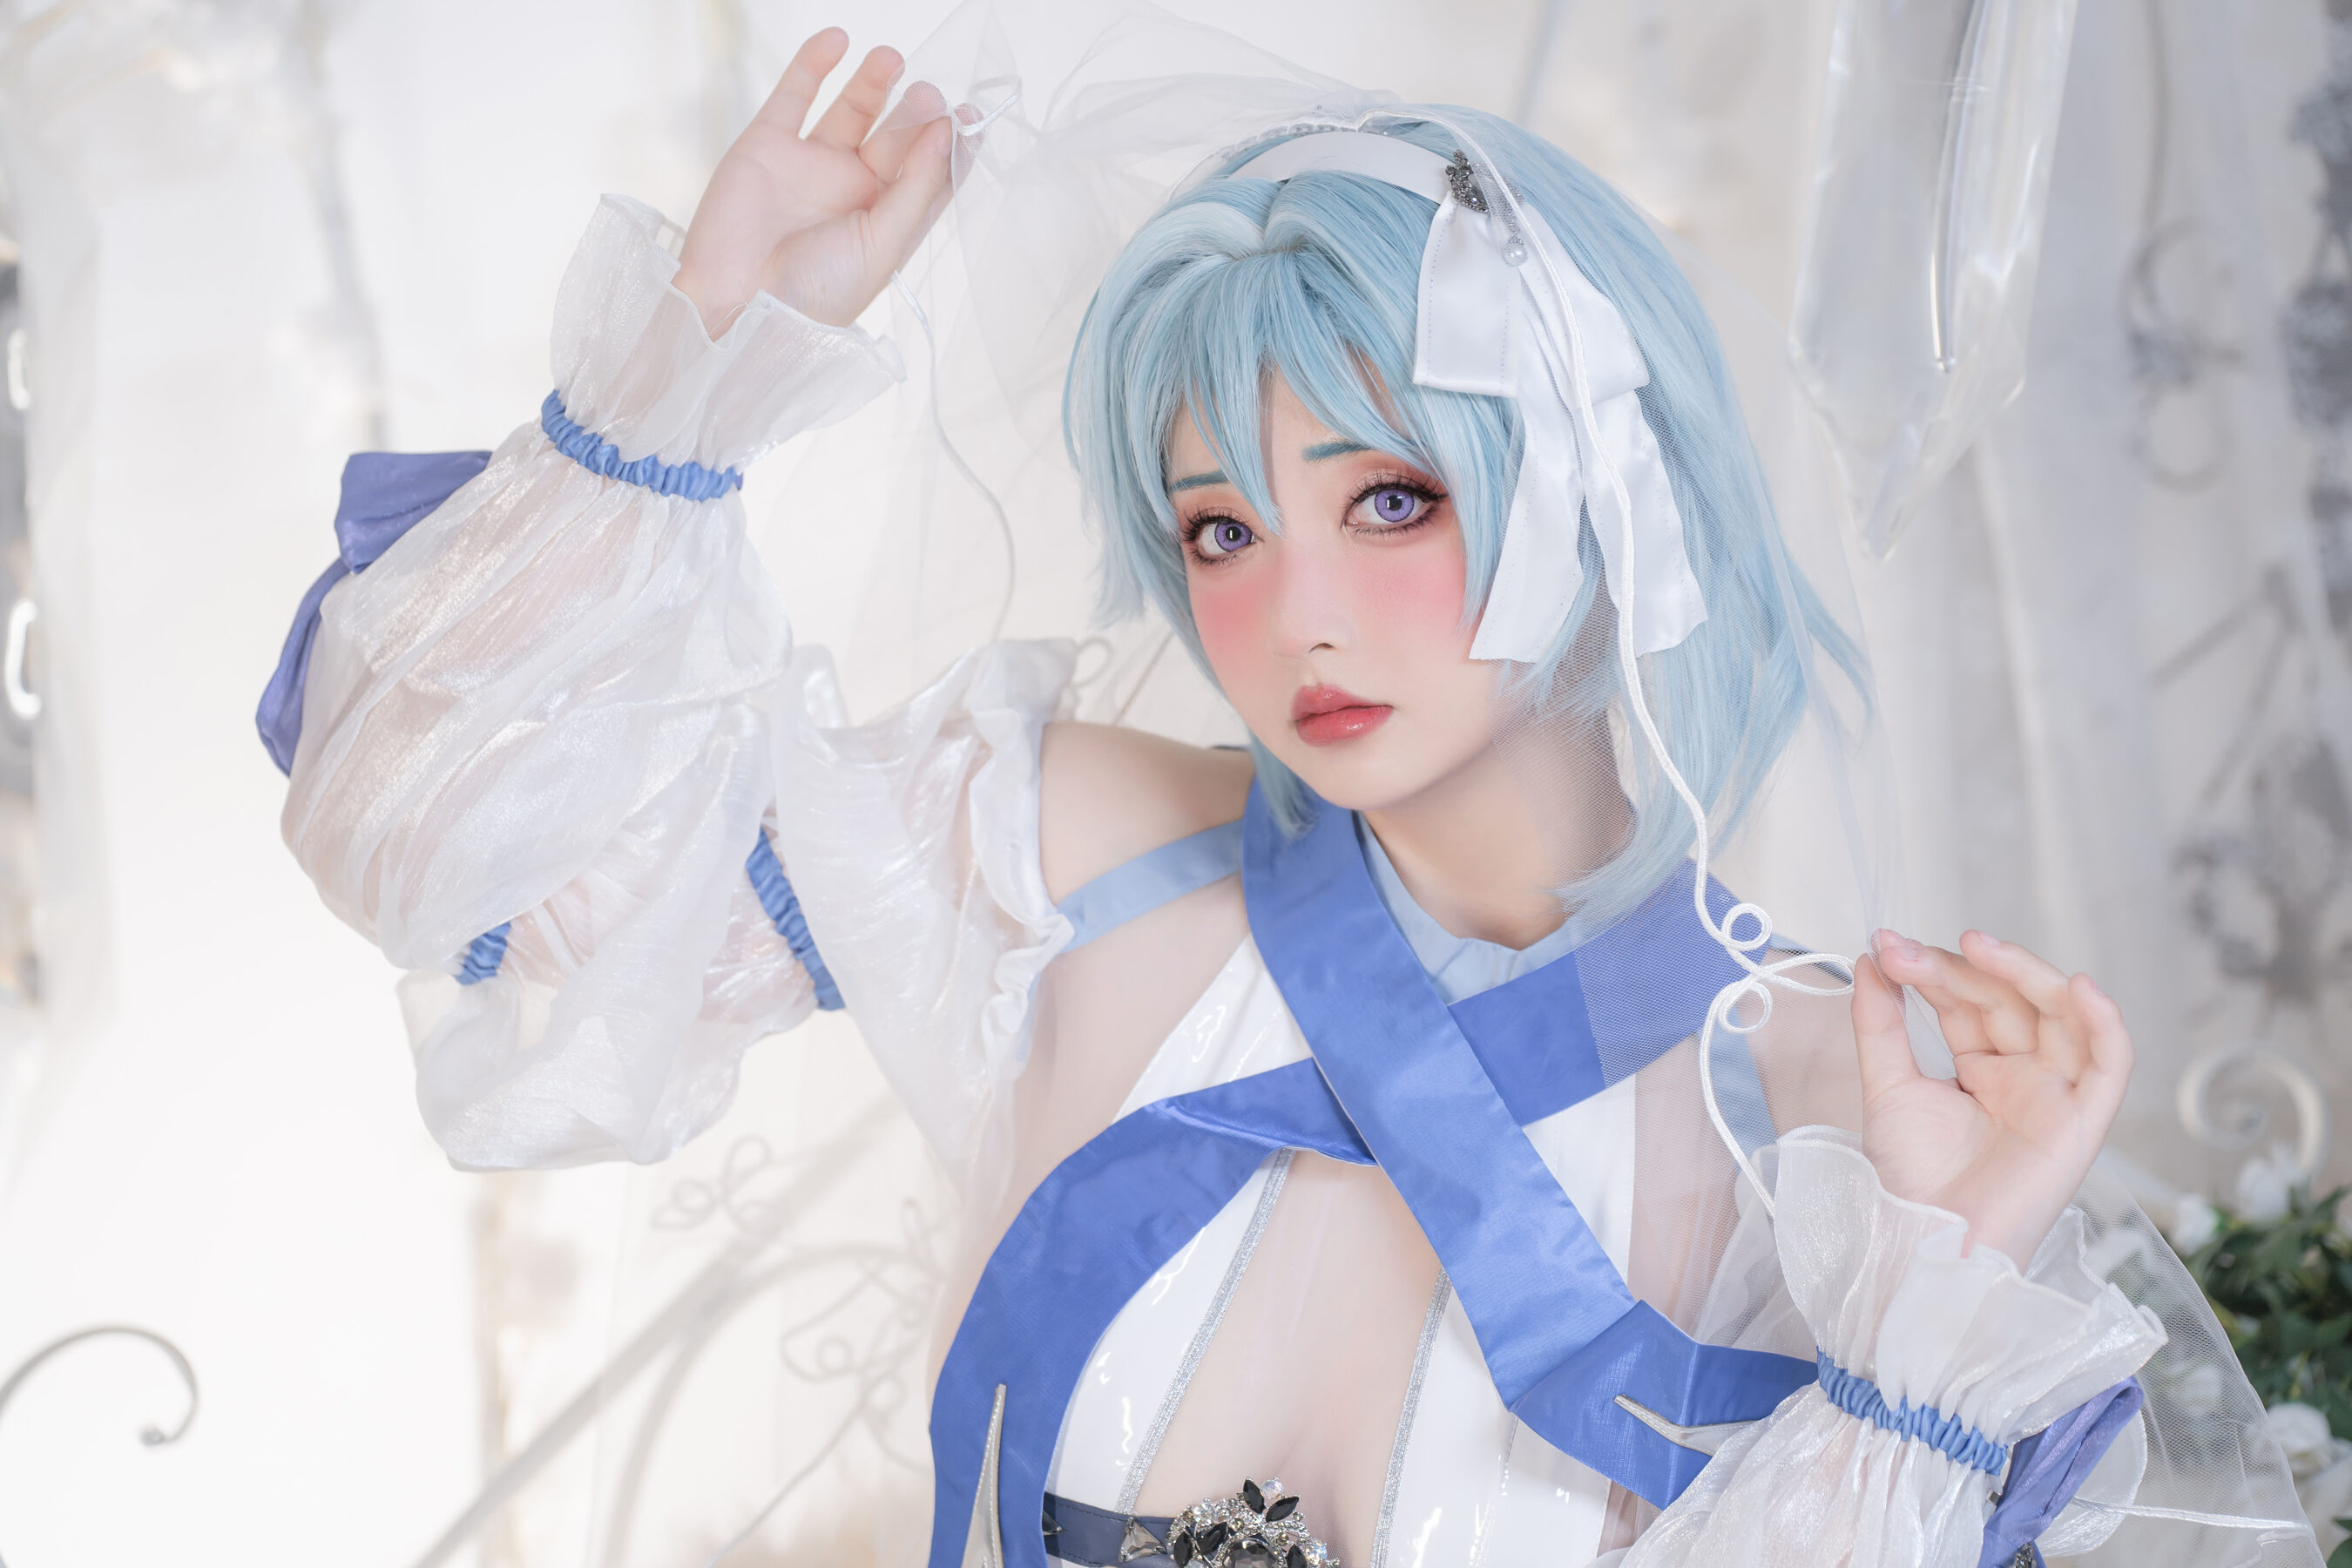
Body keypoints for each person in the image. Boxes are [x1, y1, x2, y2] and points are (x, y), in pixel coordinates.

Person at [259, 16, 2313, 1567]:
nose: (1296, 616)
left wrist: (1937, 1301)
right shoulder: (1051, 849)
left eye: (1391, 499)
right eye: (1222, 531)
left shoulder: (1834, 1122)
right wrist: (695, 357)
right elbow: (468, 874)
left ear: (1605, 493)